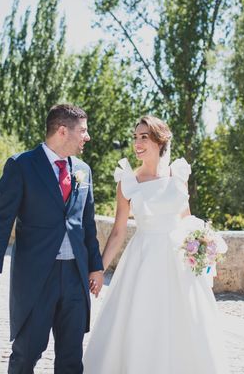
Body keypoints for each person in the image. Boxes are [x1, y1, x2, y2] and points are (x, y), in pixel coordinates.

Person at [83, 115, 228, 373]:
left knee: (185, 324)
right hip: (143, 259)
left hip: (178, 264)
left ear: (160, 142)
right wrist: (99, 269)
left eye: (144, 137)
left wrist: (205, 247)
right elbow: (118, 232)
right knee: (142, 320)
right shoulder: (127, 182)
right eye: (135, 137)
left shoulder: (178, 175)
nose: (137, 143)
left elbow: (186, 219)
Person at [0, 104, 104, 374]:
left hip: (75, 276)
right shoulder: (21, 165)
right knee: (27, 352)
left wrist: (96, 266)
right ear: (62, 131)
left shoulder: (83, 170)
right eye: (82, 130)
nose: (87, 136)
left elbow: (87, 225)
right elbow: (2, 222)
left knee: (71, 357)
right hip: (37, 276)